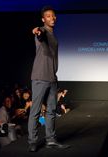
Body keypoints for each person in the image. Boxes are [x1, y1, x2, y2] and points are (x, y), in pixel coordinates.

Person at [28, 6, 70, 152]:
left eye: (53, 16)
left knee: (51, 110)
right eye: (48, 16)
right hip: (40, 77)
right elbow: (39, 34)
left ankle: (50, 140)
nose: (52, 18)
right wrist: (36, 32)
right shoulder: (43, 31)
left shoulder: (53, 34)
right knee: (36, 110)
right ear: (43, 19)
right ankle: (32, 141)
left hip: (52, 77)